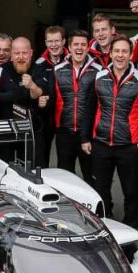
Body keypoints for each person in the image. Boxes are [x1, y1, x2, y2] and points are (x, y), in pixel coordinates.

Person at [81, 36, 138, 228]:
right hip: (101, 143)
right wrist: (85, 138)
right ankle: (103, 226)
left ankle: (134, 229)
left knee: (132, 192)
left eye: (124, 51)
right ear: (111, 54)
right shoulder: (98, 77)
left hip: (129, 146)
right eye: (117, 51)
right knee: (100, 190)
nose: (120, 55)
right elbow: (89, 109)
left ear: (131, 55)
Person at [53, 30, 102, 185]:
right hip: (64, 132)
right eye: (76, 44)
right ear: (69, 47)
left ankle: (96, 202)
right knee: (64, 178)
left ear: (88, 48)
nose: (79, 48)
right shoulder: (57, 70)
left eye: (83, 44)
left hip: (88, 133)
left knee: (92, 177)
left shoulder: (99, 71)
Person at [32, 25, 68, 168]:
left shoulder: (72, 60)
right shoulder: (39, 63)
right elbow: (35, 89)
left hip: (65, 117)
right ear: (46, 43)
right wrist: (39, 100)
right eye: (50, 41)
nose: (53, 45)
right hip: (45, 117)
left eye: (57, 41)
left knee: (65, 161)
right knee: (42, 160)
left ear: (63, 41)